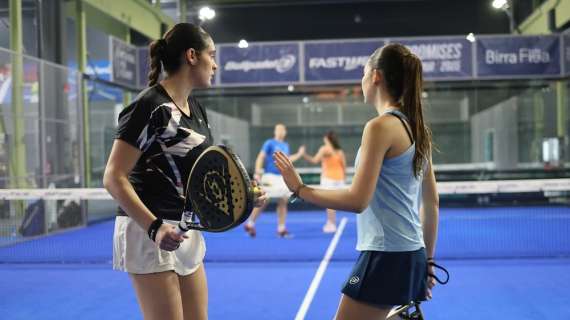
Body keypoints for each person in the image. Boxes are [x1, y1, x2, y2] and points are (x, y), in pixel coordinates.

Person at [103, 23, 266, 320]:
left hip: (184, 227)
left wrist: (245, 191)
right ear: (192, 56)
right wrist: (154, 228)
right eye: (211, 55)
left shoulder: (197, 109)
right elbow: (114, 176)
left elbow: (202, 173)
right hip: (147, 230)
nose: (215, 64)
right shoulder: (150, 106)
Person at [273, 43, 440, 320]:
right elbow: (432, 202)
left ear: (375, 76)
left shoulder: (379, 127)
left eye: (363, 74)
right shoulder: (417, 128)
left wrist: (300, 189)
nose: (361, 81)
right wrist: (427, 260)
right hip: (412, 254)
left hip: (386, 255)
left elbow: (357, 200)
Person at [244, 123, 304, 238]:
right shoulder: (269, 143)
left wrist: (299, 154)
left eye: (282, 129)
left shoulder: (286, 145)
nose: (280, 131)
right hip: (269, 176)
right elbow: (261, 156)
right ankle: (250, 224)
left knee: (283, 200)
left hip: (281, 178)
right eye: (278, 129)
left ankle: (281, 229)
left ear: (285, 132)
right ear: (275, 132)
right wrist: (257, 172)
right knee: (263, 200)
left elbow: (288, 160)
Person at [302, 131, 346, 233]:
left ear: (326, 138)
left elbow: (314, 160)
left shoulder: (325, 149)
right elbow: (344, 166)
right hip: (339, 179)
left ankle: (331, 224)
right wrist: (343, 178)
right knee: (333, 202)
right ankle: (331, 222)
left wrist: (303, 154)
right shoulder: (339, 151)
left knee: (329, 203)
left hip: (328, 179)